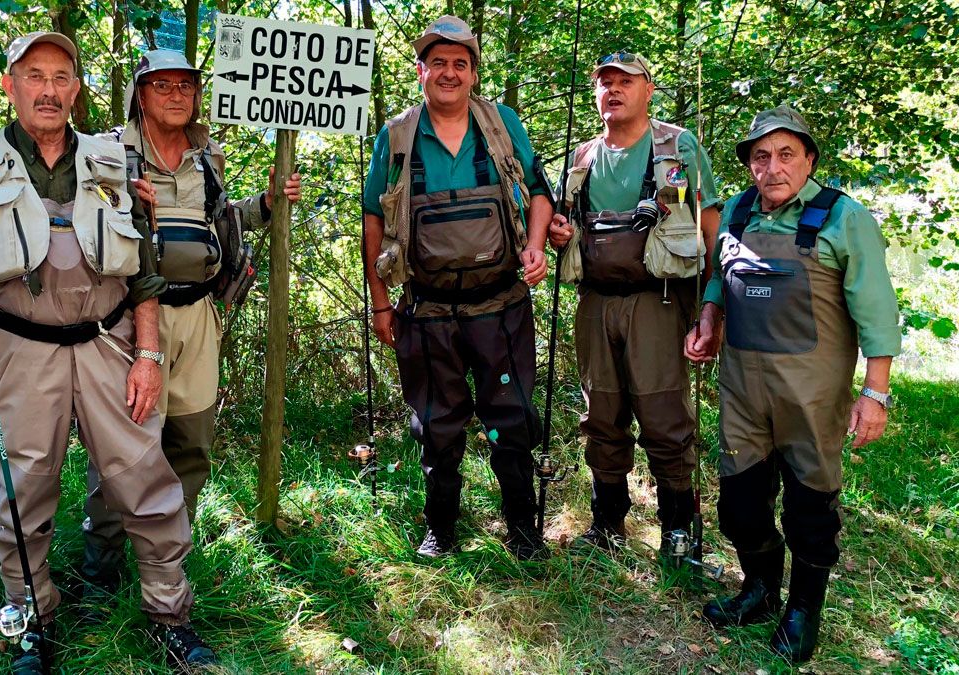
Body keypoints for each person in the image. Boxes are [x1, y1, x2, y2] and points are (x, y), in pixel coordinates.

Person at [0, 32, 215, 671]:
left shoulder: (114, 162)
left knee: (146, 480)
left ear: (76, 90)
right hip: (19, 353)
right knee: (22, 490)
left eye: (60, 77)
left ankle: (170, 614)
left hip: (110, 342)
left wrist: (149, 354)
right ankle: (32, 622)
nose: (48, 90)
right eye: (34, 76)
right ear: (10, 86)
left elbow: (145, 273)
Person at [79, 49, 301, 604]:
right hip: (128, 319)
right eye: (162, 86)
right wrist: (121, 200)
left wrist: (268, 202)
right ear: (140, 94)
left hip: (199, 315)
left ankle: (169, 558)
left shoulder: (208, 158)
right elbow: (76, 224)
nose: (177, 95)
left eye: (186, 86)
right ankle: (102, 565)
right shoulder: (108, 153)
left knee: (190, 440)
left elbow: (222, 220)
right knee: (121, 446)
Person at [685, 104, 900, 662]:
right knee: (738, 504)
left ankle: (803, 608)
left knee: (810, 510)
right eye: (761, 156)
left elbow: (876, 311)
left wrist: (875, 393)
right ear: (749, 164)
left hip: (813, 395)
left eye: (786, 154)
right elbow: (717, 276)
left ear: (808, 159)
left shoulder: (843, 218)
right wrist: (709, 318)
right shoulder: (735, 212)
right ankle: (758, 588)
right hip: (742, 390)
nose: (773, 167)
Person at [363, 16, 555, 561]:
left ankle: (522, 529)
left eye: (461, 64)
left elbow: (539, 193)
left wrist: (536, 244)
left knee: (511, 417)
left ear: (473, 74)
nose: (450, 73)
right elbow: (373, 220)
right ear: (421, 70)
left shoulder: (501, 125)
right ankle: (441, 529)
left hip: (501, 306)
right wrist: (380, 301)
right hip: (425, 311)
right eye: (439, 63)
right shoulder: (397, 136)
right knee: (438, 425)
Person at [547, 52, 722, 558]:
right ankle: (606, 523)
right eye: (605, 83)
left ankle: (678, 530)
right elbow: (564, 225)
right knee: (600, 414)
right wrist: (561, 232)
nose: (614, 90)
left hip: (659, 302)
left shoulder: (678, 147)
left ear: (649, 90)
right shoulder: (582, 157)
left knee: (665, 415)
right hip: (596, 302)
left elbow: (710, 227)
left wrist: (711, 307)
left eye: (626, 81)